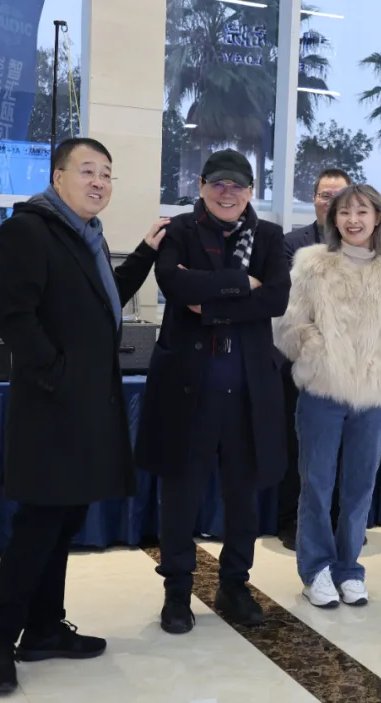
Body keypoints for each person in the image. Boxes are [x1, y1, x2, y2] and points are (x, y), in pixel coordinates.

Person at [0, 138, 164, 694]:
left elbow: (105, 304)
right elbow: (15, 318)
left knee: (64, 522)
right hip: (50, 407)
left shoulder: (87, 237)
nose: (99, 182)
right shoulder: (28, 231)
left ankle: (43, 628)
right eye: (87, 170)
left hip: (87, 406)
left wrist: (146, 253)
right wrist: (57, 375)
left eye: (106, 173)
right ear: (58, 177)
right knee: (38, 525)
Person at [137, 149, 290, 635]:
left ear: (250, 191)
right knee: (180, 497)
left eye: (238, 185)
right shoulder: (179, 230)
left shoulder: (269, 237)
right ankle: (177, 591)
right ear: (201, 185)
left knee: (242, 497)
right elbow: (174, 286)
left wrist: (213, 301)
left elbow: (276, 298)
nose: (228, 193)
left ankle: (234, 585)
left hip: (247, 392)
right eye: (218, 184)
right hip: (189, 389)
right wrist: (242, 283)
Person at [274, 184, 381, 607]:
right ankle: (316, 570)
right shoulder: (312, 264)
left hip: (375, 398)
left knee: (360, 486)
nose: (353, 220)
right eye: (344, 212)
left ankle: (349, 569)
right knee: (317, 484)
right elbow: (289, 325)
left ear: (378, 218)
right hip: (322, 393)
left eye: (362, 211)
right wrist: (319, 357)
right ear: (333, 219)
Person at [277, 168, 352, 550]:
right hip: (301, 361)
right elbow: (291, 301)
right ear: (314, 199)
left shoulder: (363, 247)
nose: (332, 202)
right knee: (300, 445)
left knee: (341, 447)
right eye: (325, 195)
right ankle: (293, 520)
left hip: (348, 367)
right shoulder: (292, 244)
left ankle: (338, 520)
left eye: (340, 196)